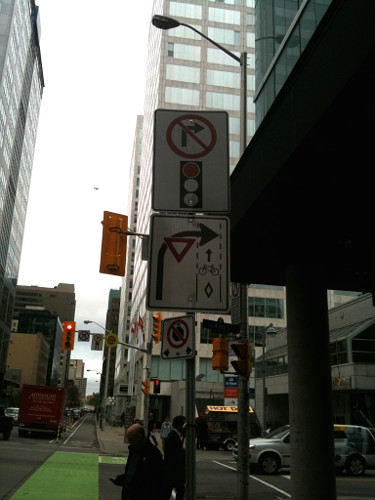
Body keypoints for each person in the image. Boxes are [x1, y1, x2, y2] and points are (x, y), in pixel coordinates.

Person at [110, 423, 164, 500]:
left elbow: (157, 481)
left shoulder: (153, 454)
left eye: (131, 439)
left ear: (139, 437)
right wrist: (121, 479)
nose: (130, 442)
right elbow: (132, 473)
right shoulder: (133, 451)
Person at [163, 414, 186, 500]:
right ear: (179, 425)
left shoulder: (175, 435)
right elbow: (174, 454)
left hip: (172, 470)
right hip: (172, 470)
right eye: (183, 424)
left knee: (178, 490)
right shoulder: (173, 436)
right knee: (176, 490)